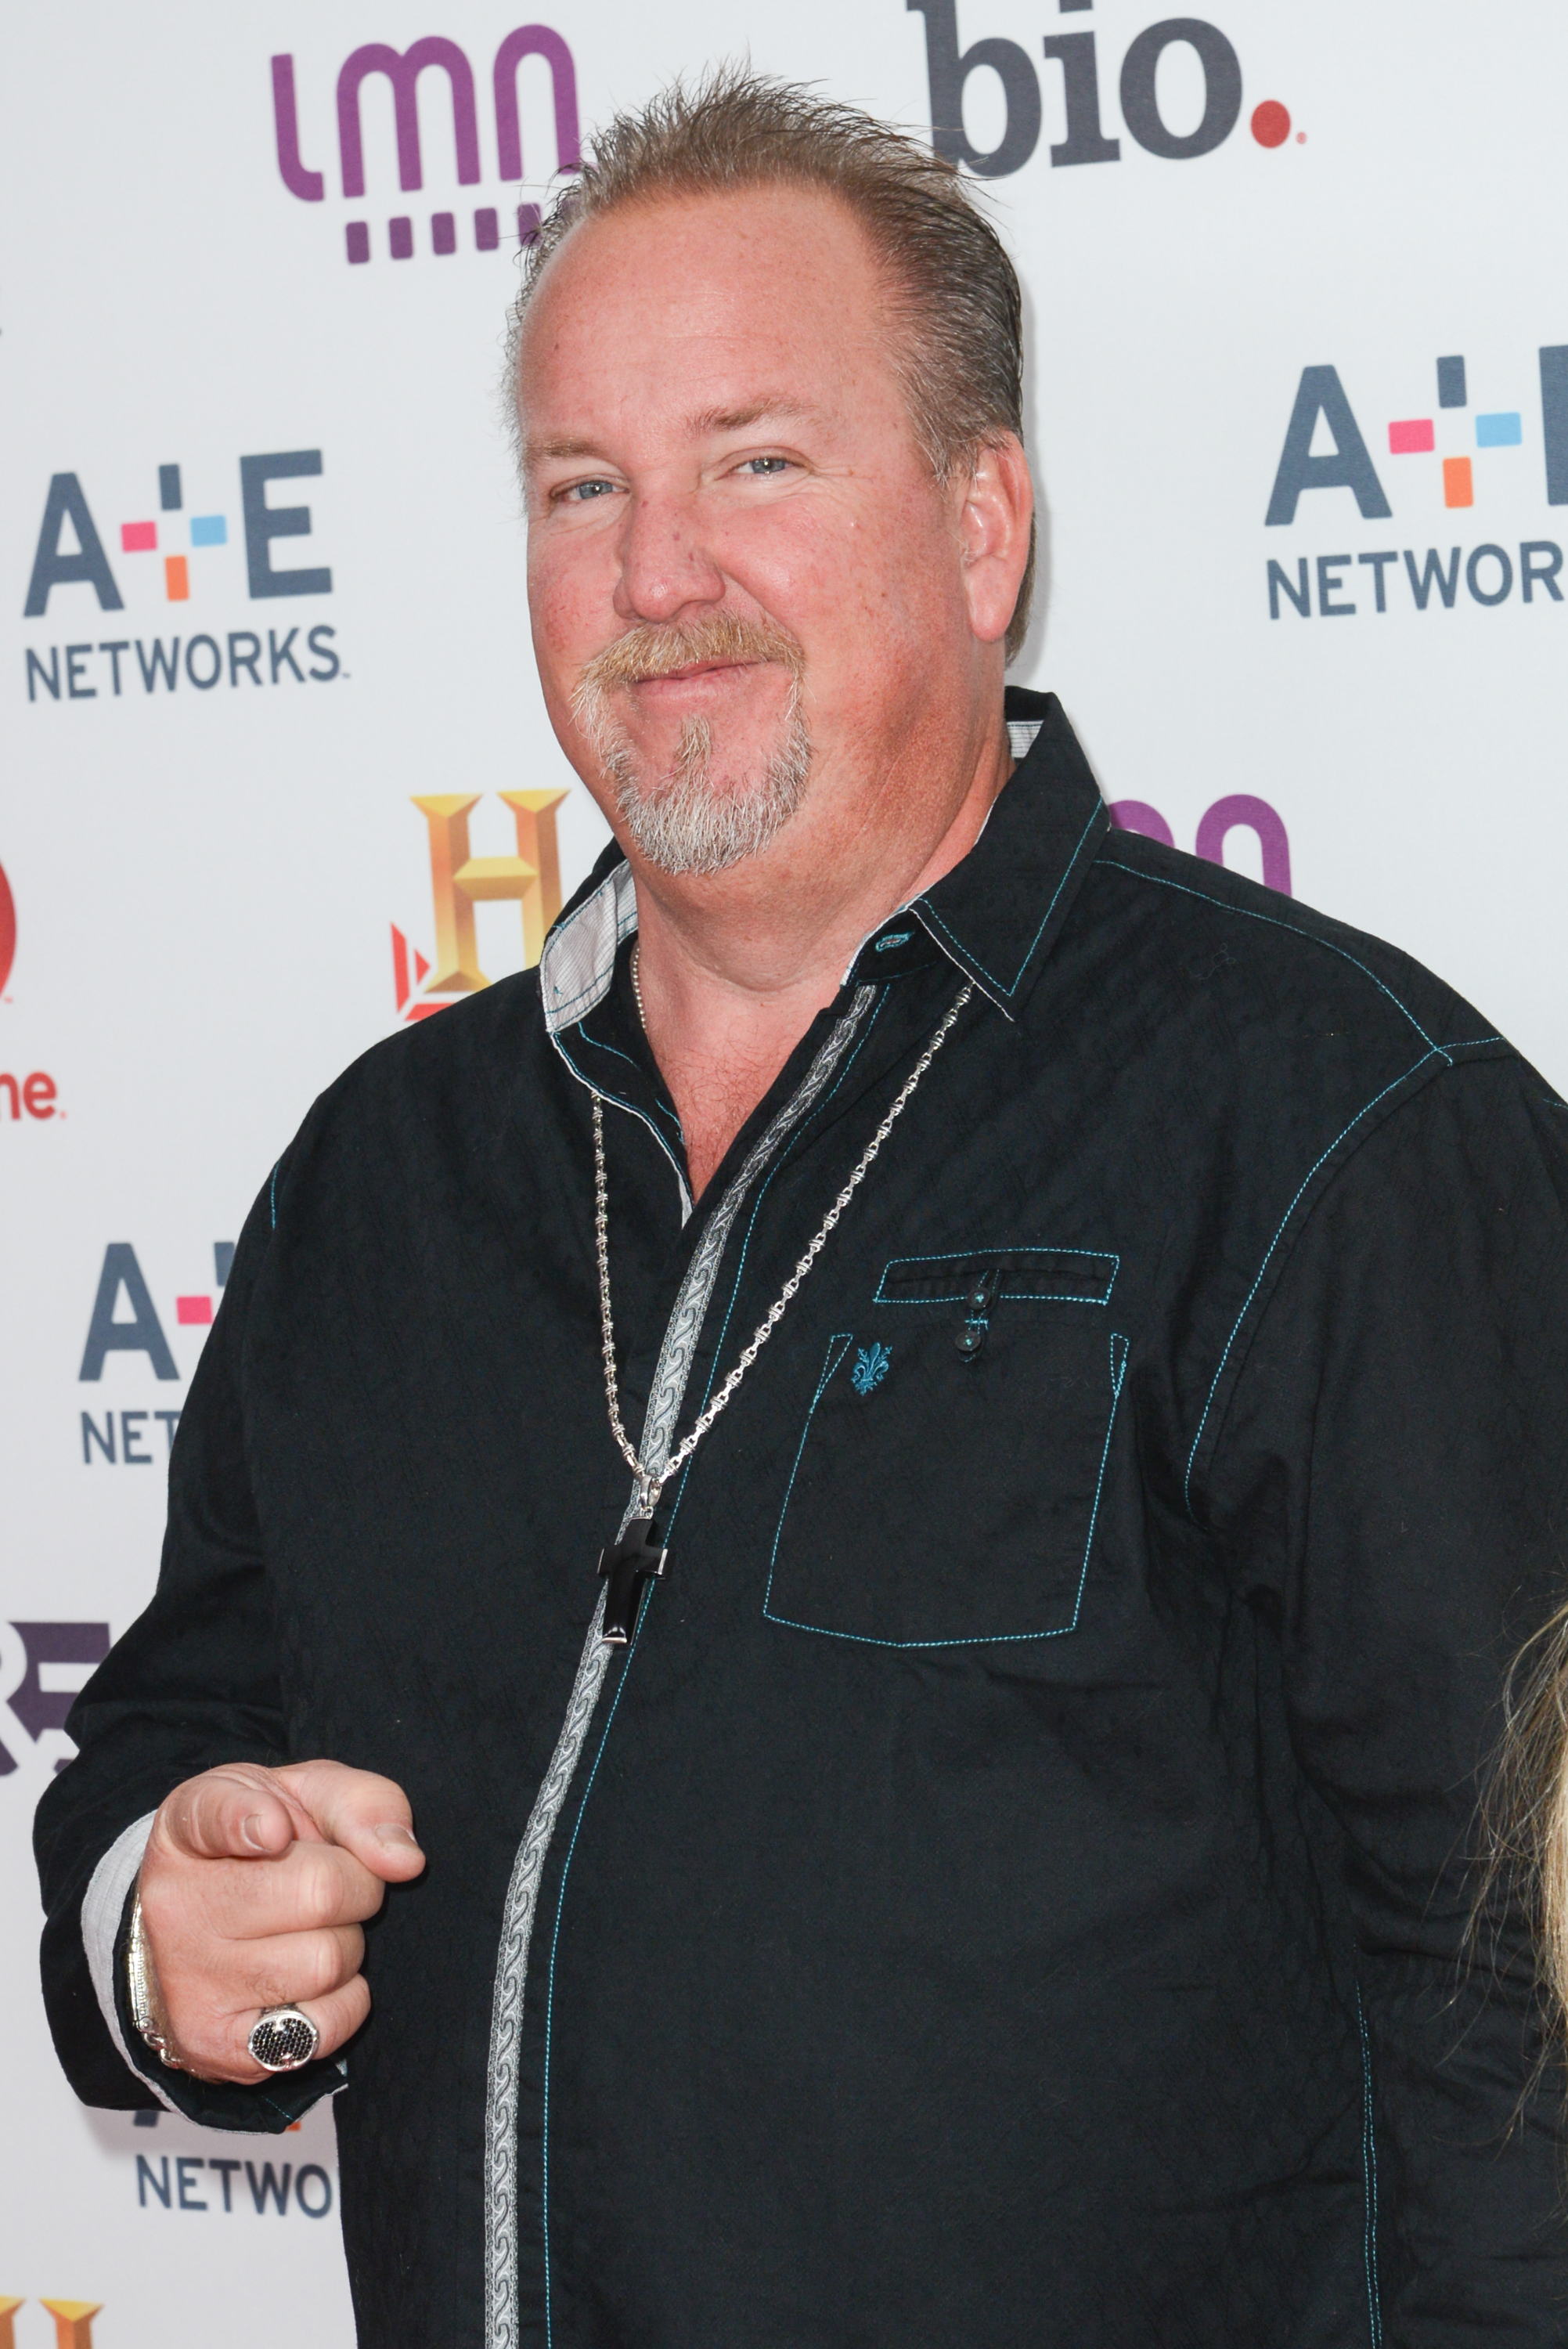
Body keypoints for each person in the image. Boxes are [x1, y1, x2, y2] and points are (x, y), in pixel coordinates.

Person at [35, 67, 1568, 2348]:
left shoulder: (1344, 1128)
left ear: (981, 523)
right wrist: (163, 1931)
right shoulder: (377, 1176)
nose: (658, 576)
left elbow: (1519, 2046)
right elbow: (169, 1749)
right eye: (585, 486)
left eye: (755, 462)